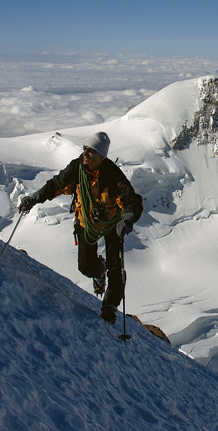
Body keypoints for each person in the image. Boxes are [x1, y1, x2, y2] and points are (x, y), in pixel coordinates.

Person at [18, 132, 143, 324]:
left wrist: (127, 218)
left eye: (92, 151)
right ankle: (98, 271)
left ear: (102, 157)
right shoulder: (76, 168)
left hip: (112, 224)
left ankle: (109, 308)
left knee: (116, 269)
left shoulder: (112, 174)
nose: (86, 154)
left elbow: (131, 199)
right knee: (86, 266)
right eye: (85, 149)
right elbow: (56, 185)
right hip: (86, 222)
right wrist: (34, 199)